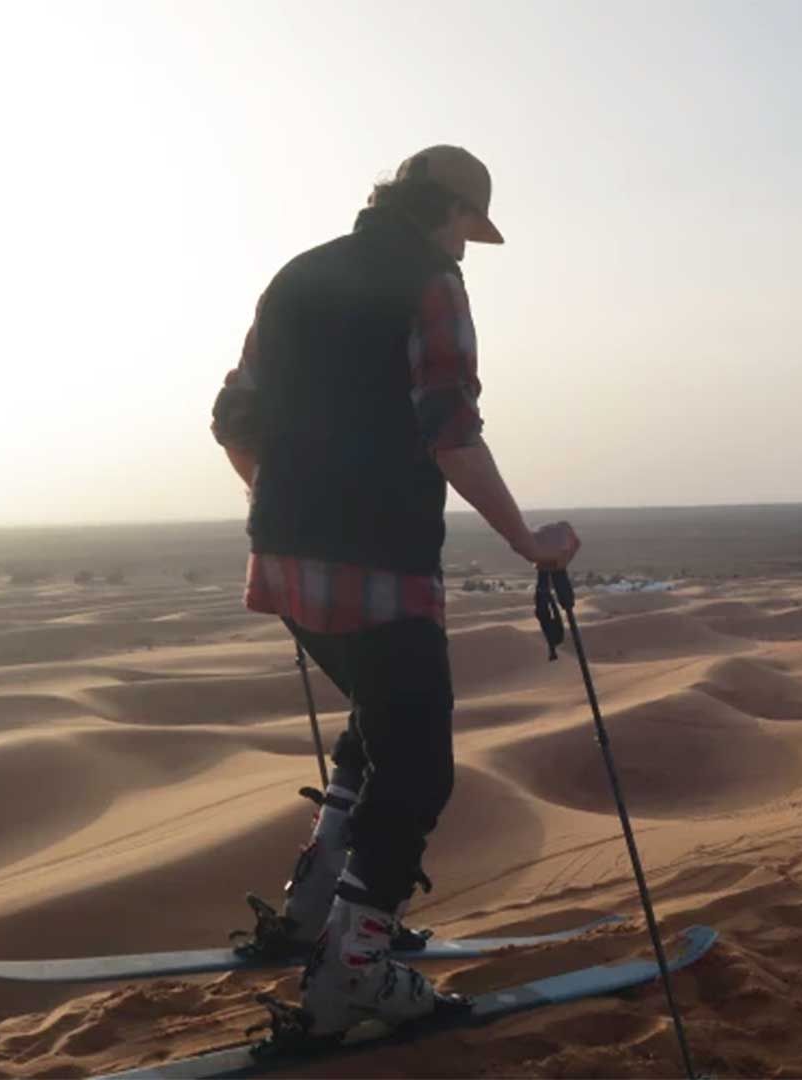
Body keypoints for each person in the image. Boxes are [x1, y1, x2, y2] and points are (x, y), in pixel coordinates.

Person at [210, 145, 578, 1036]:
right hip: (382, 565)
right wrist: (529, 541)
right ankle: (355, 970)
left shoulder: (295, 277)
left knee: (379, 723)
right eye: (465, 230)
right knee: (418, 767)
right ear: (444, 212)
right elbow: (450, 433)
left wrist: (279, 502)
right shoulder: (430, 283)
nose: (465, 249)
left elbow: (232, 419)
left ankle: (310, 916)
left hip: (286, 564)